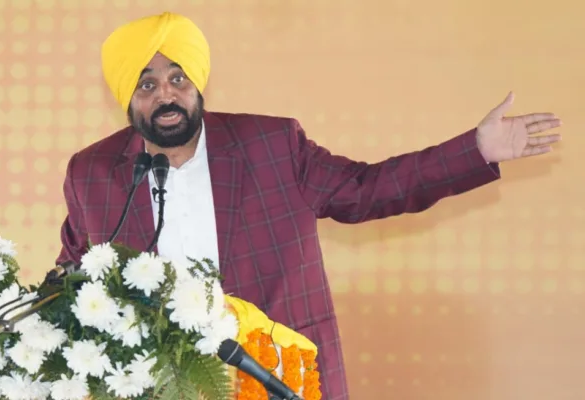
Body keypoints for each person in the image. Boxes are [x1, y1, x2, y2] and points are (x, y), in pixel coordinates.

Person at [54, 11, 561, 400]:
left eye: (177, 79)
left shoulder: (271, 144)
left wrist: (476, 150)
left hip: (279, 376)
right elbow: (71, 276)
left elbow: (368, 189)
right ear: (128, 98)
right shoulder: (91, 172)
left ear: (197, 85)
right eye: (147, 84)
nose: (166, 95)